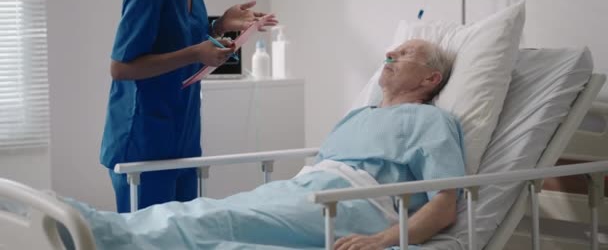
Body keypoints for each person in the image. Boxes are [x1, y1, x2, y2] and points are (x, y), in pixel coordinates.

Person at [64, 39, 464, 249]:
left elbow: (444, 206)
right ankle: (93, 228)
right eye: (394, 49)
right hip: (305, 190)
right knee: (211, 211)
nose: (391, 53)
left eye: (406, 52)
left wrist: (381, 240)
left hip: (354, 207)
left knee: (216, 222)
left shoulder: (431, 121)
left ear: (430, 80)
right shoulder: (360, 116)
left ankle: (92, 232)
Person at [100, 0, 278, 213]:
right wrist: (197, 53)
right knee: (150, 239)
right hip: (144, 138)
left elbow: (177, 37)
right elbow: (121, 68)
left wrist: (220, 26)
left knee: (185, 233)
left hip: (181, 131)